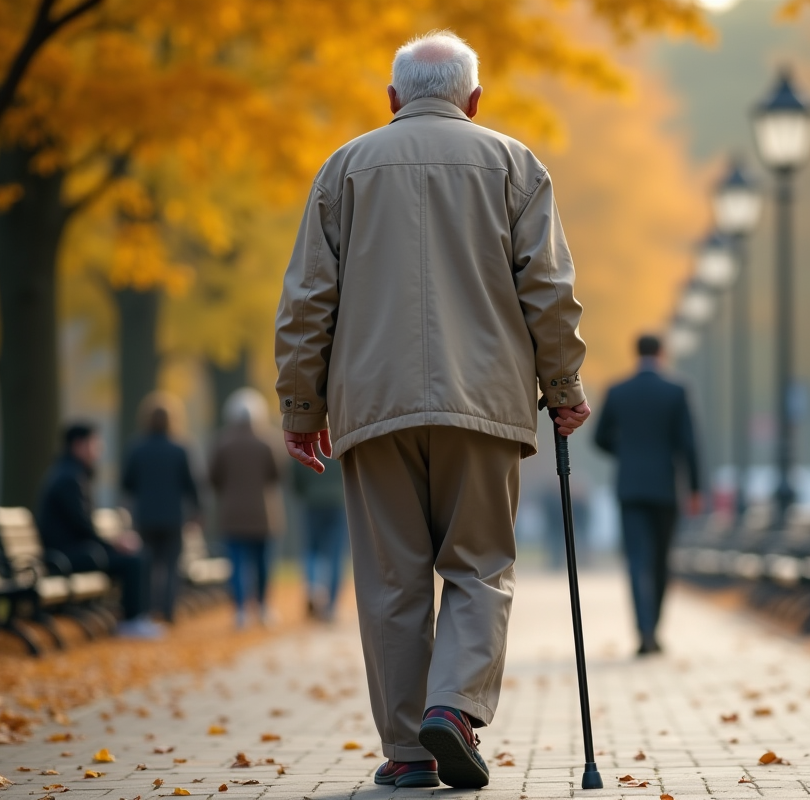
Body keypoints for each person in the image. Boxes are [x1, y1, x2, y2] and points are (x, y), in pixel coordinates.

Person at [274, 31, 589, 791]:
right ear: (473, 101)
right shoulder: (516, 165)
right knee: (480, 566)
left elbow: (309, 299)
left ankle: (408, 752)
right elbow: (546, 290)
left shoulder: (343, 169)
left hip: (372, 405)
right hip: (482, 403)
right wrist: (565, 387)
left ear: (393, 99)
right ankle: (453, 708)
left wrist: (300, 402)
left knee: (391, 581)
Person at [595, 334, 701, 656]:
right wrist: (695, 488)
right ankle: (654, 629)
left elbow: (599, 438)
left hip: (629, 487)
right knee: (661, 561)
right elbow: (689, 445)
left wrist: (626, 454)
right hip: (665, 488)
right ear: (662, 352)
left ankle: (642, 631)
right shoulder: (676, 390)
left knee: (637, 560)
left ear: (635, 352)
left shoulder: (617, 390)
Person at [37, 422, 162, 639]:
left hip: (73, 550)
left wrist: (114, 544)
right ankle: (132, 621)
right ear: (78, 445)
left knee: (136, 557)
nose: (99, 449)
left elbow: (82, 526)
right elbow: (82, 526)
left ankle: (137, 618)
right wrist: (114, 544)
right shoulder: (69, 478)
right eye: (94, 444)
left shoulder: (70, 473)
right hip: (66, 556)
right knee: (134, 561)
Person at [209, 388, 284, 630]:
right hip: (263, 514)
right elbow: (276, 475)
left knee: (237, 564)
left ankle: (240, 610)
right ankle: (261, 607)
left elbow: (213, 478)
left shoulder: (222, 442)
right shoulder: (268, 441)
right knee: (262, 564)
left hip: (232, 514)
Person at [122, 393, 201, 624]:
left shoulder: (137, 448)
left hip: (145, 516)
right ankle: (167, 610)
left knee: (147, 564)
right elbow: (191, 484)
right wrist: (197, 511)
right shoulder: (181, 448)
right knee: (171, 566)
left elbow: (127, 483)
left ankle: (146, 609)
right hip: (173, 517)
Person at [291, 454, 347, 621]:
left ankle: (314, 588)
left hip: (312, 501)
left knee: (312, 550)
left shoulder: (306, 440)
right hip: (337, 501)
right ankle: (331, 606)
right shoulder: (339, 440)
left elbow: (295, 478)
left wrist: (307, 492)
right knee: (335, 553)